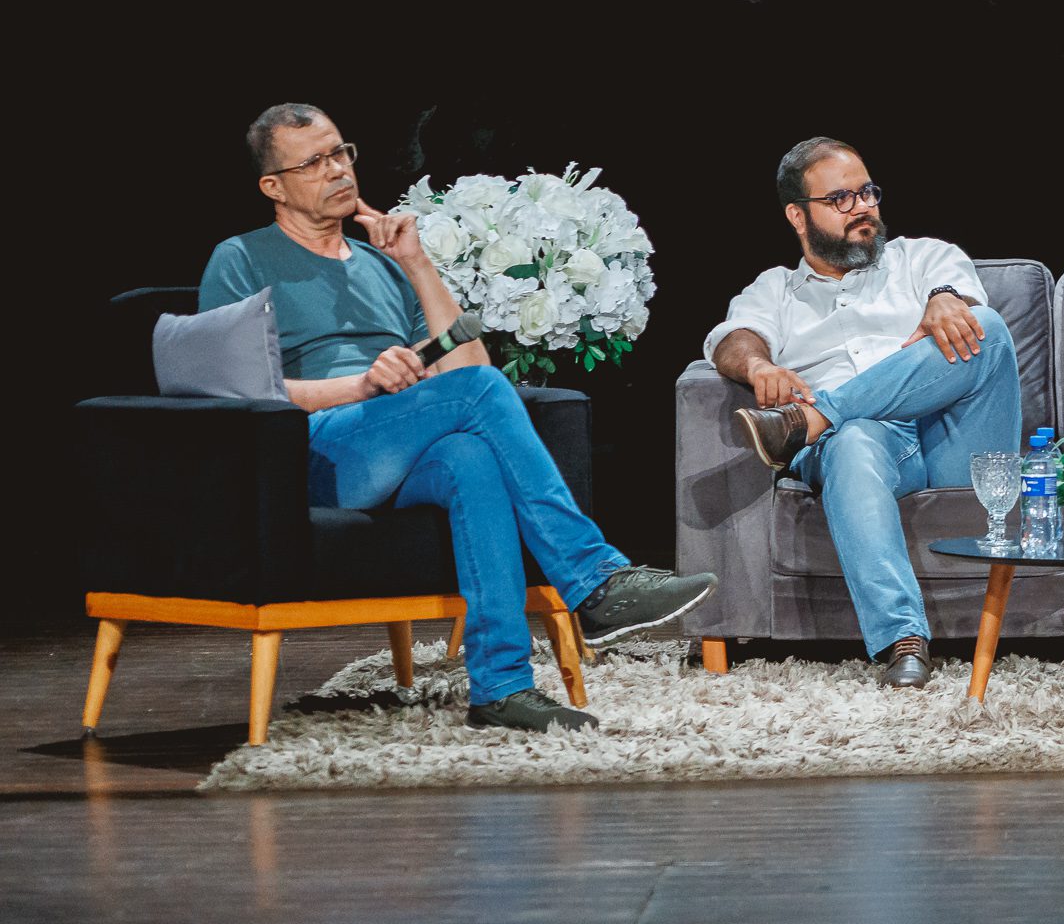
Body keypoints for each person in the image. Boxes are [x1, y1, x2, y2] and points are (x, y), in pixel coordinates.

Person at [200, 104, 718, 734]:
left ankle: (500, 688)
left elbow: (472, 366)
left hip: (400, 439)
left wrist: (417, 264)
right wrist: (357, 384)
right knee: (475, 397)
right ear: (273, 186)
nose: (337, 170)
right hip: (314, 452)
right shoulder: (242, 259)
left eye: (341, 152)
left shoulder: (384, 262)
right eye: (313, 161)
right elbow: (236, 391)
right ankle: (595, 580)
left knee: (471, 460)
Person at [708, 137, 1023, 689]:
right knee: (853, 439)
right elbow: (731, 341)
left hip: (952, 438)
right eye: (841, 199)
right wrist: (759, 367)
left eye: (868, 193)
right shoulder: (777, 290)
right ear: (797, 215)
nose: (863, 209)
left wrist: (947, 297)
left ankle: (809, 421)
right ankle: (903, 638)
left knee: (989, 330)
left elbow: (969, 311)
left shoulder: (923, 257)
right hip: (866, 450)